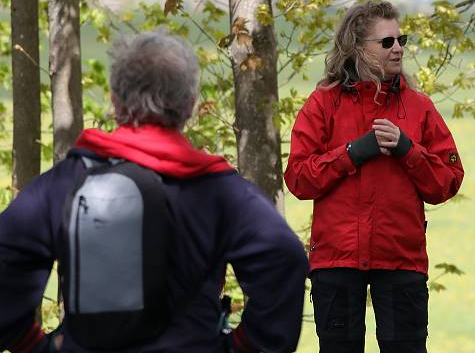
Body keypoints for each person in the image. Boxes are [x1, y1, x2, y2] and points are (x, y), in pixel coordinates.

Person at [0, 32, 309, 352]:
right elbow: (284, 258)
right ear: (190, 105)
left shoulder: (65, 182)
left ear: (115, 102)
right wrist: (243, 347)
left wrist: (33, 345)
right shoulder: (220, 191)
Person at [284, 0, 464, 353]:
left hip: (401, 259)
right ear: (357, 48)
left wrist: (407, 150)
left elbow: (448, 181)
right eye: (387, 42)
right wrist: (351, 154)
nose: (398, 48)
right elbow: (298, 179)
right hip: (337, 260)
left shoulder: (419, 106)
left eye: (401, 40)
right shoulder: (323, 104)